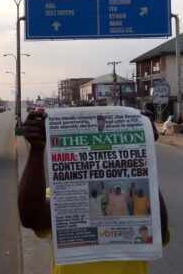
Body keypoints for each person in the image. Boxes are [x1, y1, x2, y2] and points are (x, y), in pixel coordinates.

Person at [18, 110, 170, 274]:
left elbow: (159, 228)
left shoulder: (133, 197)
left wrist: (145, 149)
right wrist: (36, 149)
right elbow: (31, 218)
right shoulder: (63, 194)